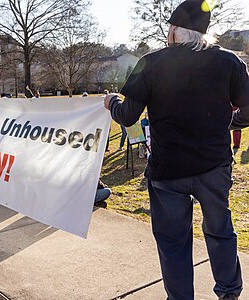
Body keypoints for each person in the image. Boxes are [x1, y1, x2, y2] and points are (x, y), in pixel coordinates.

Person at [104, 1, 249, 299]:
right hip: (214, 165)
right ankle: (230, 292)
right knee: (220, 229)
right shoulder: (229, 61)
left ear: (173, 31)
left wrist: (111, 104)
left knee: (173, 242)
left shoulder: (151, 62)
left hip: (168, 171)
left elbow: (127, 116)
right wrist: (226, 124)